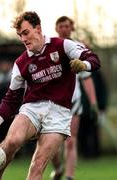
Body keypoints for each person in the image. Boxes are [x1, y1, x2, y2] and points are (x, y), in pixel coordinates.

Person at [0, 11, 100, 180]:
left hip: (59, 113)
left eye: (26, 33)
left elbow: (93, 59)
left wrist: (83, 64)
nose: (23, 39)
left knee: (37, 165)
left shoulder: (63, 45)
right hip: (32, 108)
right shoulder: (21, 63)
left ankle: (60, 171)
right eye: (20, 35)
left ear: (38, 28)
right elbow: (12, 98)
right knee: (12, 141)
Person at [50, 16, 98, 180]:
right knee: (51, 144)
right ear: (56, 28)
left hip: (73, 100)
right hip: (53, 101)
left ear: (72, 28)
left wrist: (93, 102)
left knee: (71, 141)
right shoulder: (48, 46)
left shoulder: (79, 48)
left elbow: (86, 77)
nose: (64, 29)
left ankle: (70, 177)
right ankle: (58, 167)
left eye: (67, 26)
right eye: (61, 26)